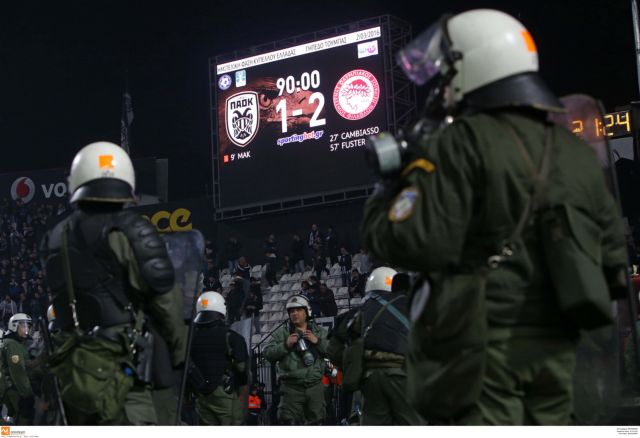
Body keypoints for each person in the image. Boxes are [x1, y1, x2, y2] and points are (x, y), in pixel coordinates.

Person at [360, 9, 628, 425]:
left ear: (472, 68)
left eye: (447, 75)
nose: (442, 88)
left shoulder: (460, 142)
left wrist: (385, 188)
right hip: (560, 350)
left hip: (484, 350)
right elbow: (613, 260)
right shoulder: (574, 151)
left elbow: (410, 241)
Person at [39, 142, 187, 425]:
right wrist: (176, 355)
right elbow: (167, 302)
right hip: (123, 373)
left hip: (74, 375)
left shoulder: (54, 238)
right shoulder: (131, 230)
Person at [331, 267, 424, 425]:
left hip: (370, 379)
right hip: (403, 376)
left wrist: (354, 367)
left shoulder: (358, 311)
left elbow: (333, 350)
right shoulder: (412, 307)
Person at [263, 294, 328, 425]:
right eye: (291, 311)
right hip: (291, 388)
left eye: (298, 310)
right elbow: (267, 353)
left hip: (315, 387)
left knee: (317, 422)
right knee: (288, 422)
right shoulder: (281, 333)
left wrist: (318, 342)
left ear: (307, 312)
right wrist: (285, 345)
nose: (294, 314)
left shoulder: (319, 332)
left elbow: (334, 351)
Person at [188, 291, 249, 425]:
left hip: (200, 397)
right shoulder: (232, 338)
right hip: (226, 398)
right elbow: (242, 370)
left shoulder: (190, 338)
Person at [1, 313, 34, 424]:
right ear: (14, 326)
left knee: (10, 419)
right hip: (13, 389)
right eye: (23, 326)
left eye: (28, 326)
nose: (27, 329)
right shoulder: (12, 344)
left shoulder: (11, 342)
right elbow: (18, 370)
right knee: (25, 417)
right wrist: (27, 393)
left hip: (6, 389)